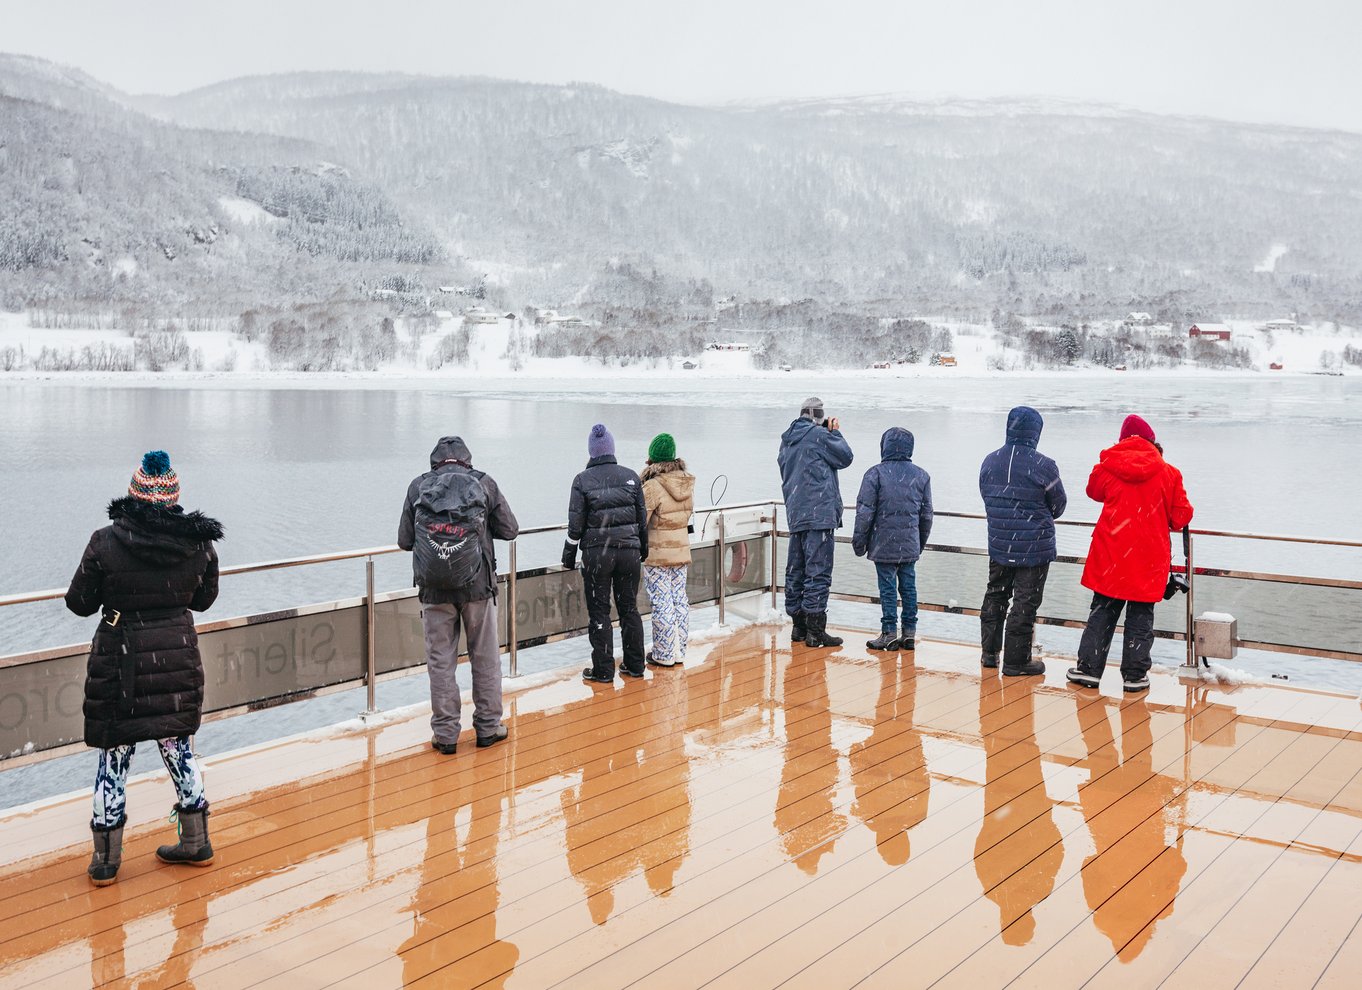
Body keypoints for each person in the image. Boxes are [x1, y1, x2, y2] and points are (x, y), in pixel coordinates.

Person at [64, 451, 224, 886]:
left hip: (122, 664)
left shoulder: (105, 541)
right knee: (179, 751)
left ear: (134, 495)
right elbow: (203, 600)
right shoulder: (198, 543)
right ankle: (195, 842)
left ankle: (105, 862)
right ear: (173, 498)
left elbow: (79, 603)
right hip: (176, 657)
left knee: (114, 759)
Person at [398, 436, 520, 754]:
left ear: (433, 462)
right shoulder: (484, 483)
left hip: (434, 589)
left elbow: (404, 540)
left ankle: (447, 734)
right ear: (467, 460)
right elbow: (510, 530)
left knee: (441, 662)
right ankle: (489, 728)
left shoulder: (417, 487)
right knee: (485, 658)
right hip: (478, 586)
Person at [1067, 415, 1194, 692]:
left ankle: (1089, 669)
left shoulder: (1108, 467)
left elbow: (1093, 491)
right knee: (1140, 616)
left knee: (1102, 612)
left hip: (1111, 553)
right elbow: (1180, 517)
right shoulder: (1169, 473)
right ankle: (1135, 676)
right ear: (1153, 442)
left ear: (1122, 441)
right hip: (1148, 557)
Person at [977, 405, 1067, 677]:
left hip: (1001, 541)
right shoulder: (1044, 464)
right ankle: (1016, 660)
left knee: (996, 594)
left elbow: (986, 494)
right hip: (1034, 546)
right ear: (1036, 433)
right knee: (1025, 602)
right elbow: (1059, 505)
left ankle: (989, 653)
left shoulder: (990, 461)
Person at [562, 424, 648, 682]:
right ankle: (635, 665)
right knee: (629, 608)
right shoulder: (631, 476)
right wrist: (643, 548)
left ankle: (603, 670)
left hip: (598, 554)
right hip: (630, 553)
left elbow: (575, 525)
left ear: (592, 452)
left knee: (599, 611)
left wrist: (568, 555)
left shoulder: (582, 480)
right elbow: (641, 521)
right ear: (612, 449)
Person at [778, 397, 854, 649]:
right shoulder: (818, 436)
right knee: (818, 571)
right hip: (819, 513)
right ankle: (815, 631)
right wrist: (835, 433)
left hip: (796, 512)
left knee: (796, 569)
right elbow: (845, 457)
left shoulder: (788, 438)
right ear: (819, 416)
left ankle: (798, 627)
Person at [852, 427, 933, 652]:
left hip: (883, 542)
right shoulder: (921, 475)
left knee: (887, 588)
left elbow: (864, 512)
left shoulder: (875, 474)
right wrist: (919, 543)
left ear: (884, 446)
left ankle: (889, 633)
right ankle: (909, 633)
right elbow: (926, 515)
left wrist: (859, 543)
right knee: (909, 587)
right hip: (909, 543)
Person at [640, 432, 695, 668]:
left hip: (658, 554)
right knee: (679, 601)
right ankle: (679, 650)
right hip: (680, 552)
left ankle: (664, 653)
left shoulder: (652, 487)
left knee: (661, 602)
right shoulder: (685, 483)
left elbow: (641, 520)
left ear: (653, 457)